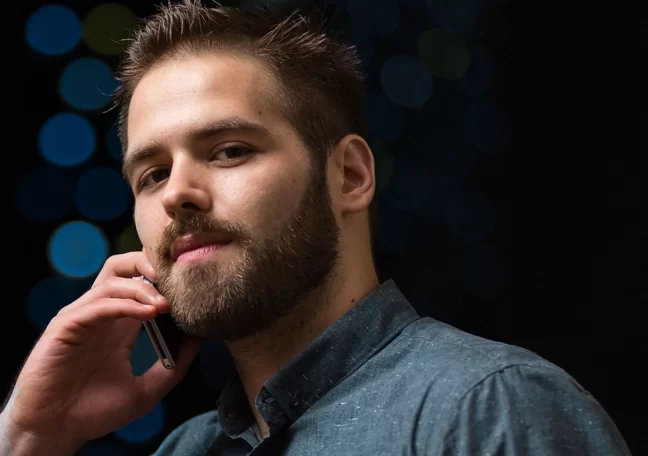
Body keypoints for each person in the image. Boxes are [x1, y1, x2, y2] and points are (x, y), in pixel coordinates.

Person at [1, 0, 632, 454]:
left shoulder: (490, 409)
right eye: (152, 174)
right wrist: (33, 438)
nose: (178, 196)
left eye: (229, 151)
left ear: (351, 177)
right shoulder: (182, 450)